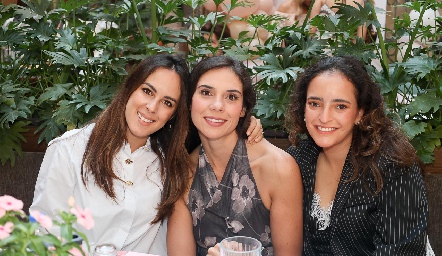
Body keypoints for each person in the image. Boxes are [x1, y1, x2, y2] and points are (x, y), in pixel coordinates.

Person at [30, 54, 264, 254]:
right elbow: (42, 235)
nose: (152, 108)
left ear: (174, 114)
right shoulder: (69, 151)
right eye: (147, 91)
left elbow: (214, 124)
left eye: (167, 102)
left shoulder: (173, 161)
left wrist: (245, 124)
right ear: (130, 88)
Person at [285, 56, 429, 255]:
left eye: (340, 106)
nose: (324, 117)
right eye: (315, 104)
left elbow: (401, 250)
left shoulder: (393, 166)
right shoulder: (298, 158)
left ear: (360, 113)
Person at [167, 55, 303, 256]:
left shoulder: (278, 167)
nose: (217, 105)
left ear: (243, 110)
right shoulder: (183, 172)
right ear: (189, 101)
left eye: (231, 97)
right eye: (206, 92)